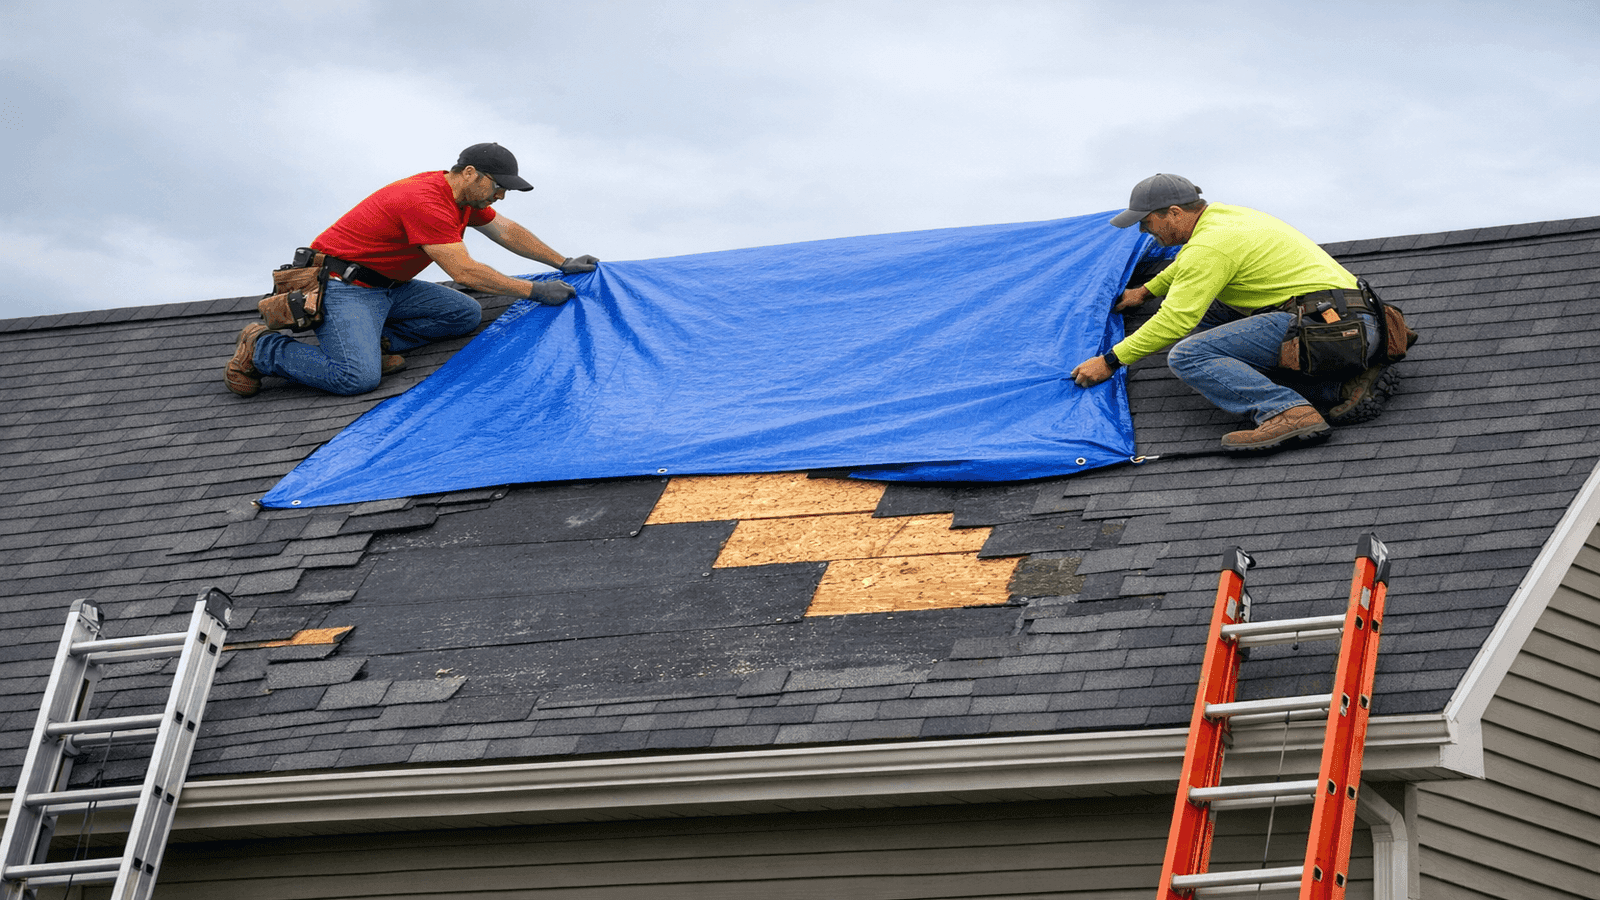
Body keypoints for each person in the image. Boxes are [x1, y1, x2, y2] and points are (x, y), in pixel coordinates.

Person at [226, 142, 598, 397]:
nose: (499, 195)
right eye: (498, 187)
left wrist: (560, 261)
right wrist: (533, 291)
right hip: (343, 286)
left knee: (464, 314)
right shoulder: (425, 200)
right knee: (356, 377)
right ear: (470, 173)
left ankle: (371, 341)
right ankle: (263, 348)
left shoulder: (464, 200)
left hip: (388, 287)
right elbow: (464, 271)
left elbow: (504, 229)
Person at [1070, 173, 1373, 451]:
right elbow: (1186, 266)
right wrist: (1146, 291)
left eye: (1146, 222)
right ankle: (1342, 384)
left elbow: (1175, 320)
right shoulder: (1226, 218)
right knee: (1207, 309)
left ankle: (1288, 412)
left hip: (1327, 330)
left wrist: (1111, 360)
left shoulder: (1209, 247)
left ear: (1174, 212)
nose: (1142, 229)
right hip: (1354, 319)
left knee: (1188, 355)